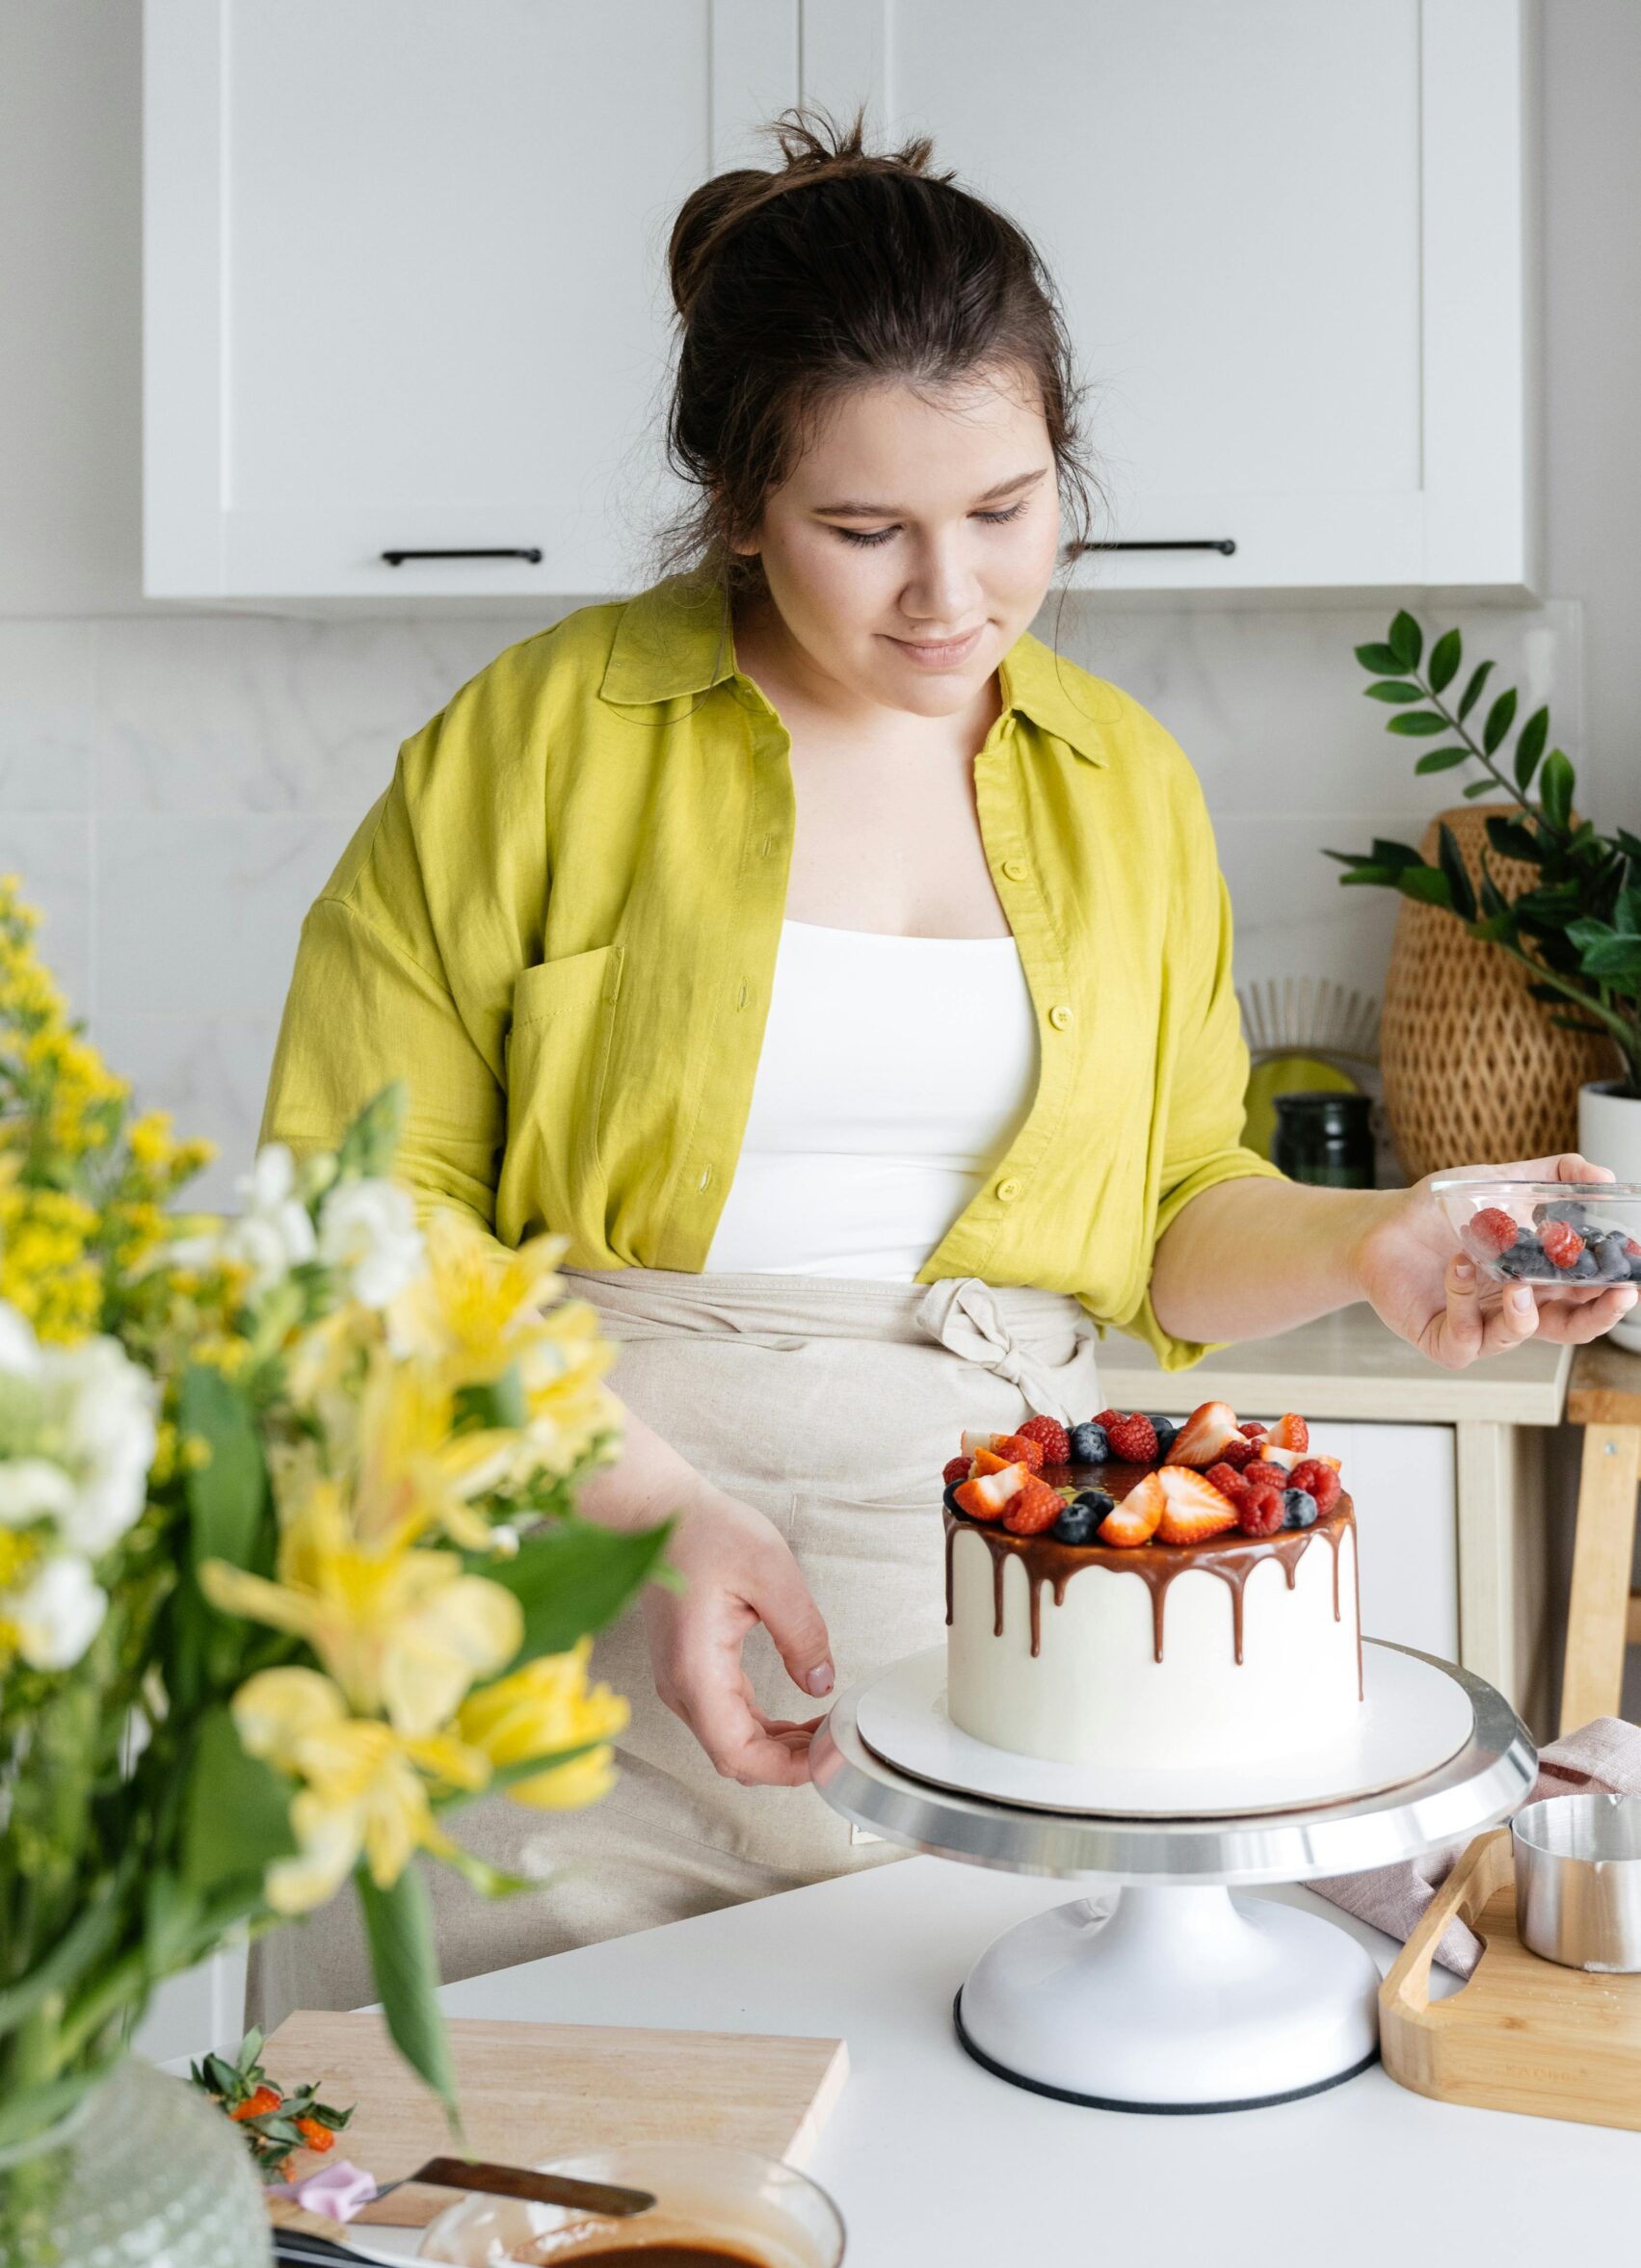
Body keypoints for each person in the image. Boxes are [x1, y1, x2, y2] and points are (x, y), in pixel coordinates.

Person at [246, 107, 1632, 2028]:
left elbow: (1168, 1207)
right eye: (863, 529)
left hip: (966, 1632)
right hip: (543, 1566)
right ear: (736, 505)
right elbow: (351, 1202)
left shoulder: (1120, 782)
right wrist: (651, 1508)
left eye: (1006, 508)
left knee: (949, 2170)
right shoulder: (540, 739)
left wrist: (1376, 1239)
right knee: (525, 2187)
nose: (953, 595)